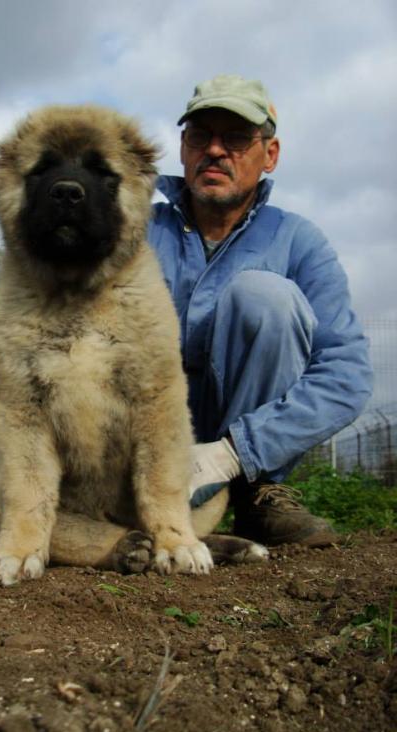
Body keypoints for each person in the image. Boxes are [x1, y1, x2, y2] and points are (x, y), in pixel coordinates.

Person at [148, 74, 373, 547]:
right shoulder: (138, 229)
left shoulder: (298, 241)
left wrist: (235, 453)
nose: (215, 150)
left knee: (265, 296)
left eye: (235, 138)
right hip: (141, 443)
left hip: (236, 453)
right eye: (199, 136)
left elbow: (346, 374)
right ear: (183, 148)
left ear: (269, 154)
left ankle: (256, 494)